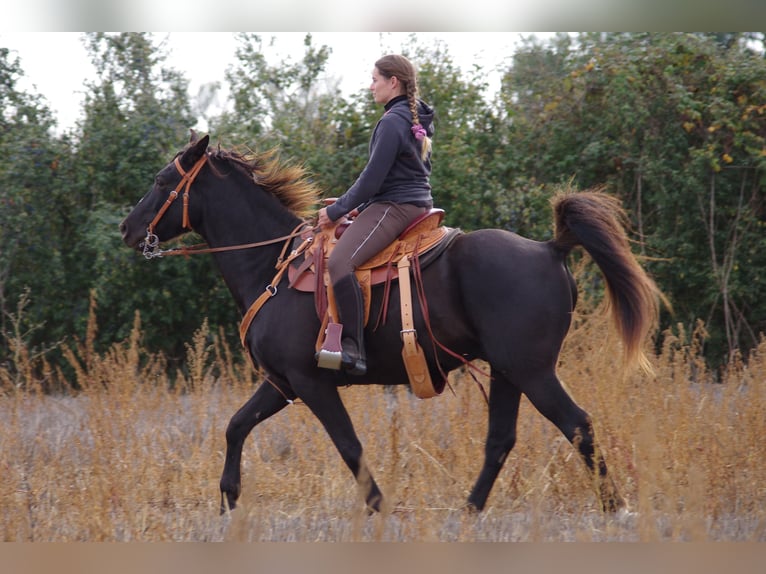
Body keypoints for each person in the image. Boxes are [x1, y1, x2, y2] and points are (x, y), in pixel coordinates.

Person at [317, 54, 435, 376]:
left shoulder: (393, 121)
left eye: (375, 80)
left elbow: (371, 180)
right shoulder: (413, 118)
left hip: (395, 207)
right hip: (410, 202)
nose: (370, 86)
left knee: (340, 262)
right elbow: (396, 175)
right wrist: (355, 207)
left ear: (392, 82)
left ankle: (354, 347)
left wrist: (335, 210)